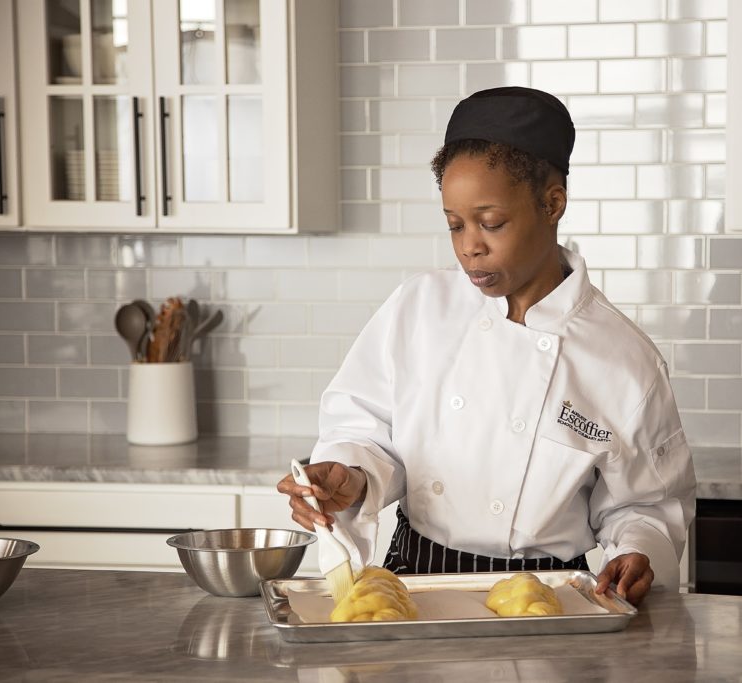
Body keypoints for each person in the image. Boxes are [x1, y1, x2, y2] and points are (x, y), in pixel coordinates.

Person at [278, 86, 696, 606]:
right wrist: (349, 475)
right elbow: (364, 430)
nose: (469, 245)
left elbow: (647, 507)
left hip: (548, 599)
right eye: (454, 224)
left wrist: (638, 551)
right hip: (414, 584)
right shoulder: (418, 310)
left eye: (490, 223)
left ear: (552, 203)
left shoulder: (623, 359)